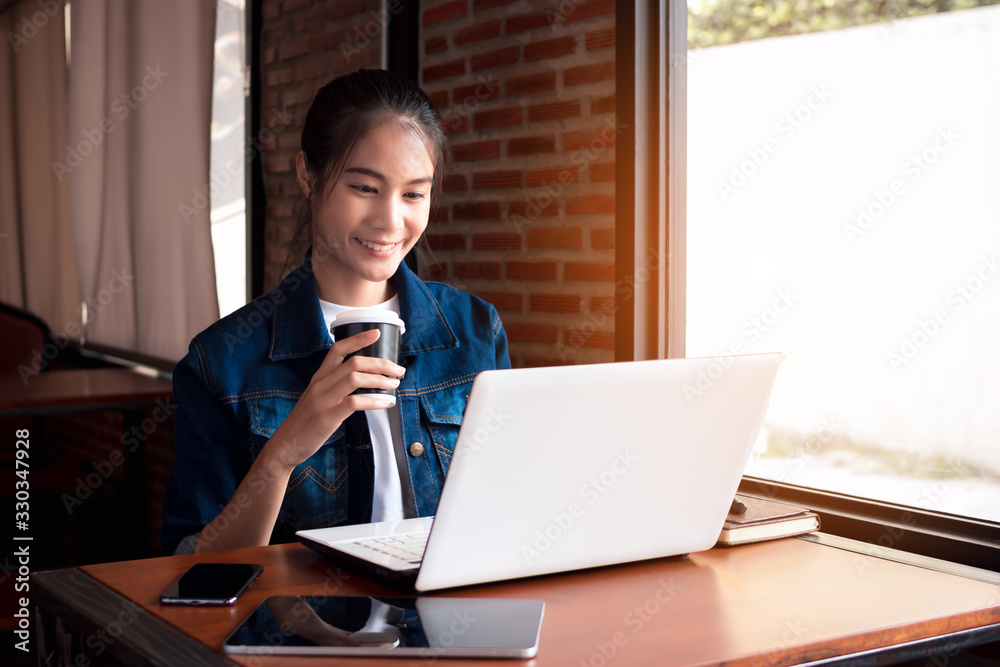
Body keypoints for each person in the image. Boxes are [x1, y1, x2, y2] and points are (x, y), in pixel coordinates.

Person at [161, 69, 510, 556]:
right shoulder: (220, 362)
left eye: (413, 193)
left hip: (450, 626)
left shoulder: (474, 330)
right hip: (297, 628)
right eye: (365, 188)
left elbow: (506, 509)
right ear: (309, 174)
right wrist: (282, 454)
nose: (390, 221)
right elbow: (191, 566)